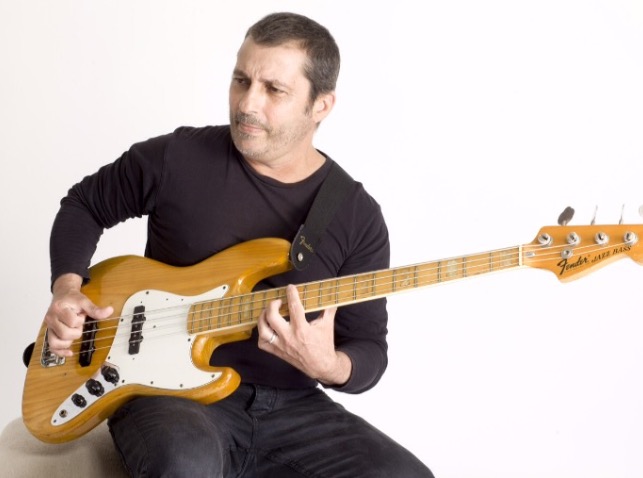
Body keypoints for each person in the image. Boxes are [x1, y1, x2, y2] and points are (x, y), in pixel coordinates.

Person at [43, 11, 434, 477]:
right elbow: (85, 204)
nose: (247, 103)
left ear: (321, 105)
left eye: (274, 90)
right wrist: (67, 289)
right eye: (241, 80)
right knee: (188, 461)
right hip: (167, 394)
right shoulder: (179, 157)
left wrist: (330, 365)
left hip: (294, 408)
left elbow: (368, 347)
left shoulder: (355, 215)